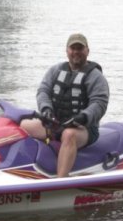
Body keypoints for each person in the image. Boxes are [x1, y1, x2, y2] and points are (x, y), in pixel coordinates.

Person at [21, 33, 109, 177]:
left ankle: (61, 179)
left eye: (80, 48)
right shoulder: (55, 70)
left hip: (84, 128)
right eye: (72, 48)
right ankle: (19, 168)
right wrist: (46, 109)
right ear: (67, 50)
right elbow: (43, 91)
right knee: (23, 125)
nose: (76, 52)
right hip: (55, 123)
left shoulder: (96, 77)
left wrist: (83, 117)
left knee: (68, 135)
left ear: (87, 51)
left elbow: (99, 104)